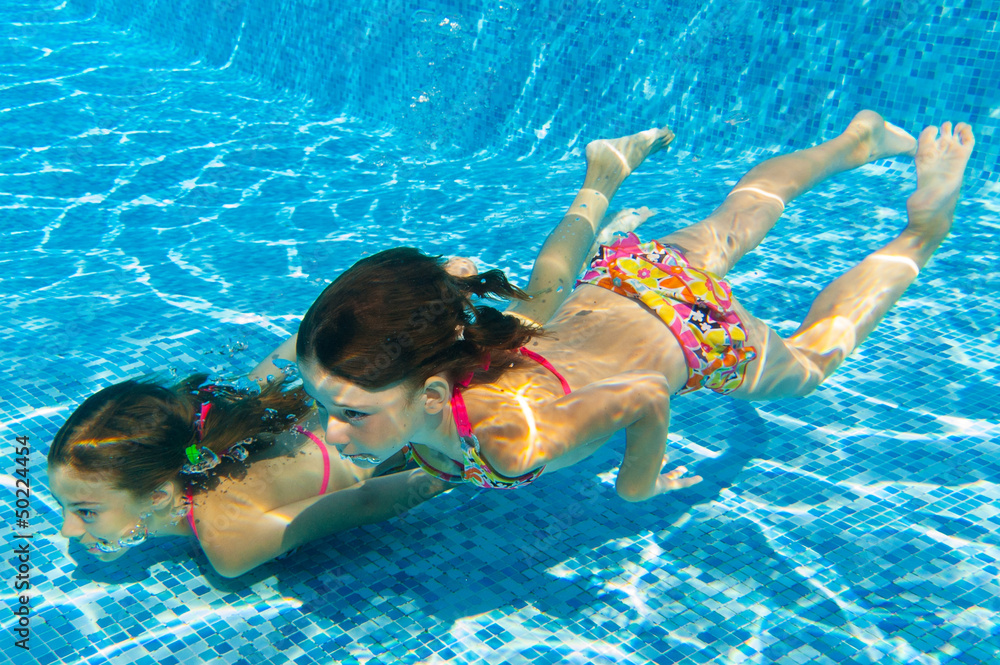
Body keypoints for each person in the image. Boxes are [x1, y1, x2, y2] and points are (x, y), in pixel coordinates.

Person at [47, 126, 675, 577]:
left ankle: (600, 184)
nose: (69, 531)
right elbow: (300, 350)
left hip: (393, 424)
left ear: (159, 496)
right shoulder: (212, 431)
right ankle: (498, 260)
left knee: (543, 305)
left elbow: (370, 501)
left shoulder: (229, 545)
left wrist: (458, 466)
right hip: (339, 392)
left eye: (82, 511)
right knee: (539, 300)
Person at [295, 112, 974, 501]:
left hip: (693, 333)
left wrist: (635, 483)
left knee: (812, 361)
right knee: (736, 218)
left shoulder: (512, 441)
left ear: (437, 394)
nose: (330, 429)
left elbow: (647, 394)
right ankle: (850, 144)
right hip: (628, 279)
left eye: (349, 412)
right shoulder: (451, 354)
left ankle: (923, 230)